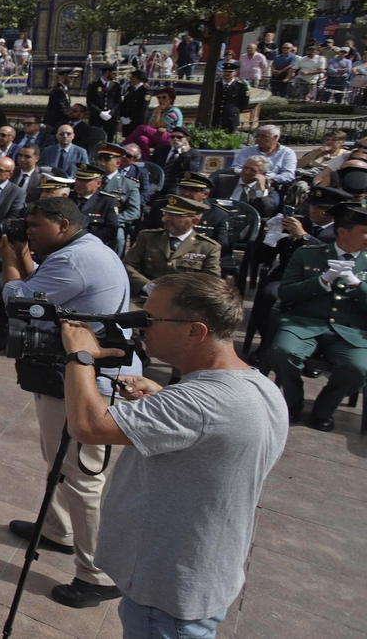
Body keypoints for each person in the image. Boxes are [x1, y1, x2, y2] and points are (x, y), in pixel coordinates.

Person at [60, 273, 287, 638]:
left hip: (167, 594)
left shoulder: (199, 403)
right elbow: (209, 430)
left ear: (195, 332)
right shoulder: (257, 384)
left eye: (151, 320)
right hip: (202, 574)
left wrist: (80, 355)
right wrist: (162, 397)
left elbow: (87, 425)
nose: (141, 328)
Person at [0, 197, 138, 608]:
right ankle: (59, 530)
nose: (30, 233)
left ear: (61, 224)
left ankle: (97, 574)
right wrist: (25, 256)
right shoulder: (77, 251)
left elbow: (17, 301)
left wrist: (9, 256)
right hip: (67, 375)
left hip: (89, 382)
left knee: (83, 477)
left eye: (36, 226)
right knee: (58, 461)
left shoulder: (73, 261)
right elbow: (41, 289)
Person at [269, 201, 367, 431]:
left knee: (358, 368)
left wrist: (357, 285)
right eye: (364, 232)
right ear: (343, 232)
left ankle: (323, 410)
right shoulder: (308, 254)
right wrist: (321, 281)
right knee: (282, 352)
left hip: (350, 330)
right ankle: (291, 405)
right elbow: (285, 292)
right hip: (304, 323)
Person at [123, 195, 222, 297]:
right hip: (145, 298)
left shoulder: (208, 247)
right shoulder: (148, 237)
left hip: (184, 303)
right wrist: (148, 286)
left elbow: (212, 282)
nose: (166, 218)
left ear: (194, 221)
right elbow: (127, 265)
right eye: (167, 213)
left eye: (175, 215)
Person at [206, 60, 249, 131]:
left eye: (230, 72)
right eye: (225, 71)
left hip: (231, 118)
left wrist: (233, 111)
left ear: (235, 73)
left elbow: (244, 103)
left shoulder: (241, 86)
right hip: (216, 117)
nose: (227, 73)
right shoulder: (216, 85)